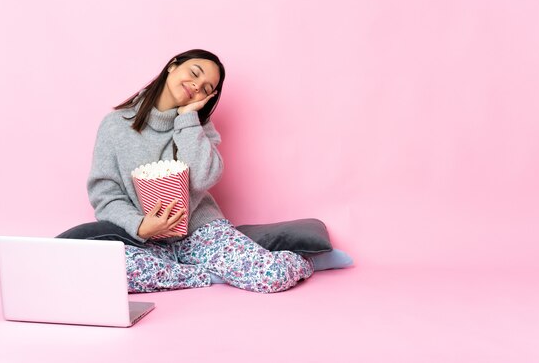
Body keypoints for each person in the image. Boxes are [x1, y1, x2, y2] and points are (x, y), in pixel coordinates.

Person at [57, 49, 352, 294]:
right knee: (106, 274)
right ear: (173, 65)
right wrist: (139, 226)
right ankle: (211, 275)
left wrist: (186, 120)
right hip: (147, 240)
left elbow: (204, 177)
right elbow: (104, 194)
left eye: (207, 88)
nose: (197, 86)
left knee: (270, 277)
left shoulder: (199, 128)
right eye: (195, 73)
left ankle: (309, 260)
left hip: (201, 232)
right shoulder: (115, 125)